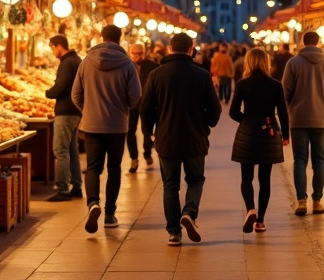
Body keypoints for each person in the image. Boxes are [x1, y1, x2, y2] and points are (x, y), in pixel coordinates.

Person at [140, 33, 221, 246]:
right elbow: (215, 108)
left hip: (166, 138)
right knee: (195, 179)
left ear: (169, 49)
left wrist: (149, 134)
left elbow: (145, 108)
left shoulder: (156, 75)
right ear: (191, 49)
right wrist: (207, 125)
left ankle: (173, 232)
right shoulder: (201, 75)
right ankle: (189, 212)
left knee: (170, 185)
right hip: (195, 137)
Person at [72, 25, 142, 233]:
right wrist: (123, 108)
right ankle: (110, 214)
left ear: (102, 38)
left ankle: (93, 203)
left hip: (92, 125)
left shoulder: (86, 62)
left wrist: (89, 110)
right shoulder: (127, 64)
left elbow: (75, 95)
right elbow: (135, 97)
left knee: (93, 167)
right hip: (117, 126)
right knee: (114, 168)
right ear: (120, 39)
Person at [229, 47, 289, 233]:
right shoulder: (275, 85)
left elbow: (233, 112)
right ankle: (261, 221)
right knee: (265, 179)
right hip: (268, 131)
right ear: (266, 63)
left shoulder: (242, 84)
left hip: (247, 133)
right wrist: (285, 135)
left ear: (249, 62)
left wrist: (246, 121)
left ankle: (250, 209)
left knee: (246, 177)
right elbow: (283, 113)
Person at [281, 31, 324, 216]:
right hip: (321, 118)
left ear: (303, 43)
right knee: (320, 160)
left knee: (300, 160)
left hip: (298, 118)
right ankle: (318, 200)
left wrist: (292, 105)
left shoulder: (293, 63)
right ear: (318, 42)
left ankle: (301, 200)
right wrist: (323, 100)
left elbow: (285, 90)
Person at [44, 35, 83, 202]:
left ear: (59, 46)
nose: (52, 51)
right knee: (72, 150)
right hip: (75, 111)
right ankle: (76, 186)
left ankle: (62, 189)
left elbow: (61, 85)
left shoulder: (67, 63)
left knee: (61, 150)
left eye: (52, 47)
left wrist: (48, 93)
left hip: (65, 112)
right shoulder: (76, 60)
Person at [126, 43, 158, 172]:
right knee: (130, 132)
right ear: (129, 53)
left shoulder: (152, 67)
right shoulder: (125, 67)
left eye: (140, 53)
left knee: (147, 131)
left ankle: (147, 153)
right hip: (131, 104)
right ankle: (134, 159)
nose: (137, 56)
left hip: (147, 104)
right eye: (134, 53)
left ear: (144, 53)